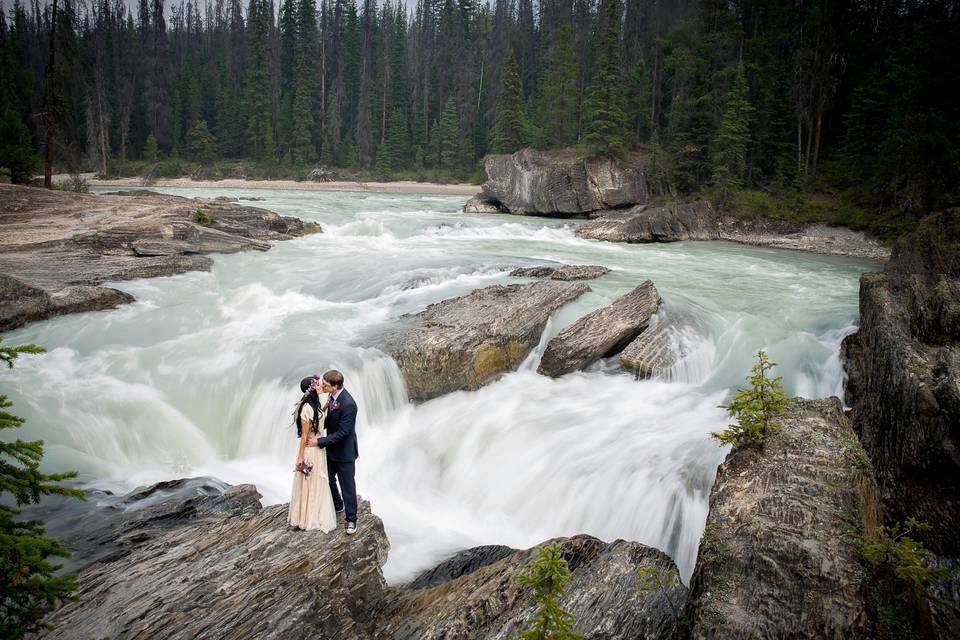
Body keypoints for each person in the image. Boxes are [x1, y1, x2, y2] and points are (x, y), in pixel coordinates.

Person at [307, 369, 359, 535]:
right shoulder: (332, 397)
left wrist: (319, 441)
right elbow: (329, 420)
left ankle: (351, 520)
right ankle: (337, 505)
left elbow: (344, 432)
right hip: (331, 449)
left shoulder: (349, 404)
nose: (322, 385)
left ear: (336, 386)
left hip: (345, 453)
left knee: (347, 487)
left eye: (326, 385)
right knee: (327, 478)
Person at [288, 376, 337, 532]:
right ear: (311, 389)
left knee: (317, 480)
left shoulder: (314, 405)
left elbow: (317, 419)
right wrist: (300, 457)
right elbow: (304, 435)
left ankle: (313, 512)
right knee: (311, 481)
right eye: (317, 384)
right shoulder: (306, 408)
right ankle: (308, 517)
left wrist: (326, 405)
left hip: (318, 447)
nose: (321, 385)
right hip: (310, 449)